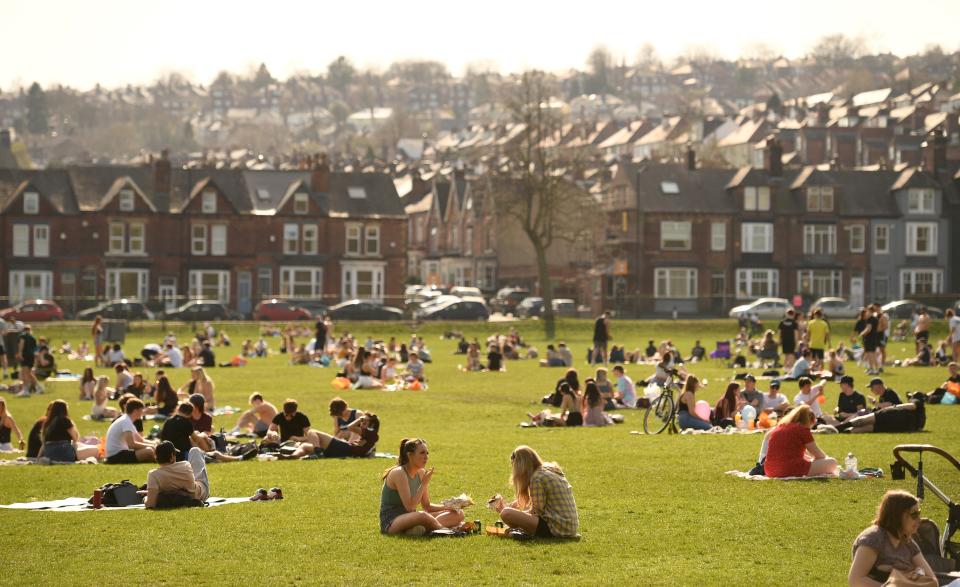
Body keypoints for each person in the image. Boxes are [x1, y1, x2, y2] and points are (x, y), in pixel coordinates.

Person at [848, 490, 936, 586]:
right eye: (914, 514)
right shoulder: (873, 539)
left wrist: (917, 574)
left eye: (919, 513)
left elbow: (932, 580)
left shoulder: (908, 543)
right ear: (897, 515)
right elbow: (856, 580)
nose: (919, 519)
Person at [378, 438, 464, 534]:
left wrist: (450, 507)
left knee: (458, 514)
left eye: (427, 453)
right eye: (422, 453)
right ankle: (447, 531)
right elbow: (410, 507)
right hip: (391, 522)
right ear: (410, 455)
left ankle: (418, 530)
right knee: (422, 516)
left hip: (411, 517)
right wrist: (424, 483)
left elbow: (427, 506)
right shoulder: (399, 473)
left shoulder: (421, 472)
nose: (426, 457)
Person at [494, 445, 579, 538]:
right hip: (569, 527)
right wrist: (512, 506)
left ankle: (518, 532)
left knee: (506, 513)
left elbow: (536, 512)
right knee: (511, 509)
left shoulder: (536, 478)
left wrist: (511, 513)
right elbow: (534, 501)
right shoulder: (548, 468)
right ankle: (516, 531)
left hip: (555, 528)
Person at [763, 405, 838, 478]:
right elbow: (819, 455)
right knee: (832, 462)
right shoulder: (802, 429)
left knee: (813, 460)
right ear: (811, 421)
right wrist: (824, 459)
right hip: (788, 469)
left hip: (770, 470)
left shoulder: (780, 427)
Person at [143, 441, 210, 509]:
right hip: (200, 494)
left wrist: (146, 498)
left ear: (156, 457)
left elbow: (150, 505)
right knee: (195, 450)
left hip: (182, 496)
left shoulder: (153, 475)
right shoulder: (185, 465)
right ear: (172, 456)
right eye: (175, 454)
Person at [282, 413, 379, 459]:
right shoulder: (371, 434)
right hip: (344, 449)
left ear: (372, 424)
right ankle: (293, 456)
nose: (362, 423)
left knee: (312, 431)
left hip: (346, 449)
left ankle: (318, 452)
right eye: (362, 421)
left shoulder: (371, 433)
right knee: (304, 446)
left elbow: (350, 427)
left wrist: (359, 419)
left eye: (364, 421)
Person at [104, 398, 157, 463]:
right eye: (141, 410)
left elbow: (140, 440)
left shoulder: (127, 420)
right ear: (135, 411)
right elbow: (131, 444)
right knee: (149, 451)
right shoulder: (126, 421)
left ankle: (154, 459)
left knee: (151, 449)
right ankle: (156, 459)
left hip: (119, 454)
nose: (142, 413)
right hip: (115, 456)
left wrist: (154, 444)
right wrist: (151, 446)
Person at [15, 324, 38, 396]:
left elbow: (21, 343)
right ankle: (38, 388)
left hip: (25, 356)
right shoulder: (33, 337)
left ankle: (25, 390)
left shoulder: (22, 335)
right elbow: (35, 349)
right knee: (29, 373)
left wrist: (20, 353)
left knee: (24, 373)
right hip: (31, 356)